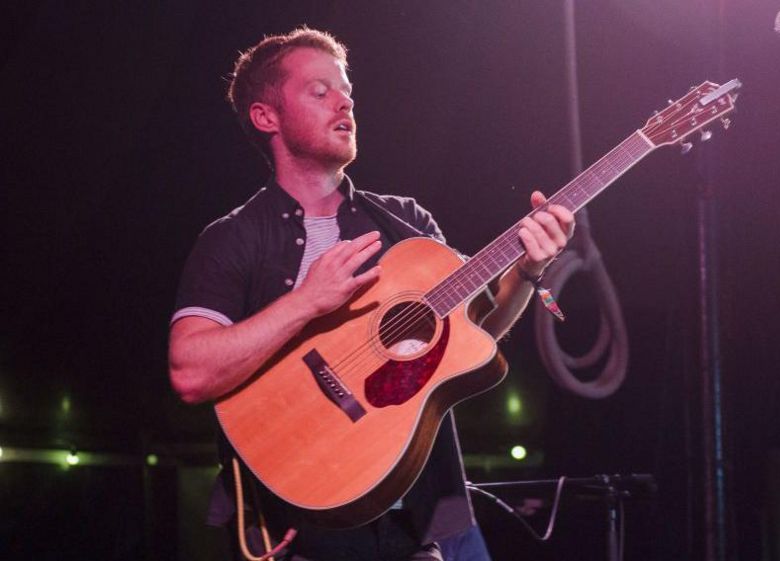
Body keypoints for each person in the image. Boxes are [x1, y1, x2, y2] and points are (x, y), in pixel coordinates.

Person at [168, 27, 574, 561]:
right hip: (298, 527)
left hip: (415, 526)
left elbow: (465, 345)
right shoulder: (235, 237)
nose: (344, 102)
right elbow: (191, 372)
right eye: (320, 91)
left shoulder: (407, 225)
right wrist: (308, 300)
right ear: (267, 117)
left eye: (347, 92)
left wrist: (526, 271)